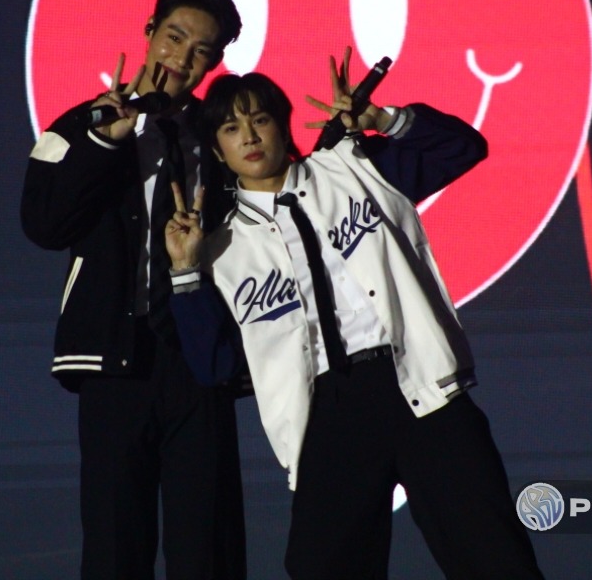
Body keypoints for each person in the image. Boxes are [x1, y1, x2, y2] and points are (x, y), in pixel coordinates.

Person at [164, 54, 545, 579]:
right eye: (231, 128)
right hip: (329, 411)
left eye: (260, 119)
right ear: (217, 150)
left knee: (493, 554)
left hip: (419, 386)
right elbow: (215, 367)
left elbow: (463, 147)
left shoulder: (353, 167)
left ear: (284, 125)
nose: (249, 136)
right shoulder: (222, 250)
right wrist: (185, 274)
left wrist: (384, 120)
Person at [21, 0, 246, 580]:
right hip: (114, 361)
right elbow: (43, 223)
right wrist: (103, 142)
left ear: (214, 64)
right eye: (174, 37)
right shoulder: (81, 125)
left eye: (201, 50)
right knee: (116, 544)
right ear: (149, 33)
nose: (181, 57)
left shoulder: (218, 139)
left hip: (198, 359)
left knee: (209, 546)